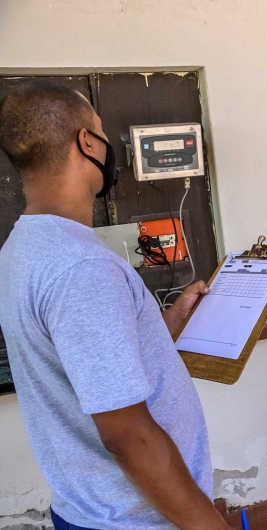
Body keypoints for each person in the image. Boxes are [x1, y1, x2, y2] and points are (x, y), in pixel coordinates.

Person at [0, 81, 232, 529]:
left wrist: (171, 319)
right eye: (102, 132)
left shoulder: (20, 249)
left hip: (89, 509)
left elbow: (96, 369)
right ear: (87, 142)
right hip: (136, 520)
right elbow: (129, 437)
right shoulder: (81, 268)